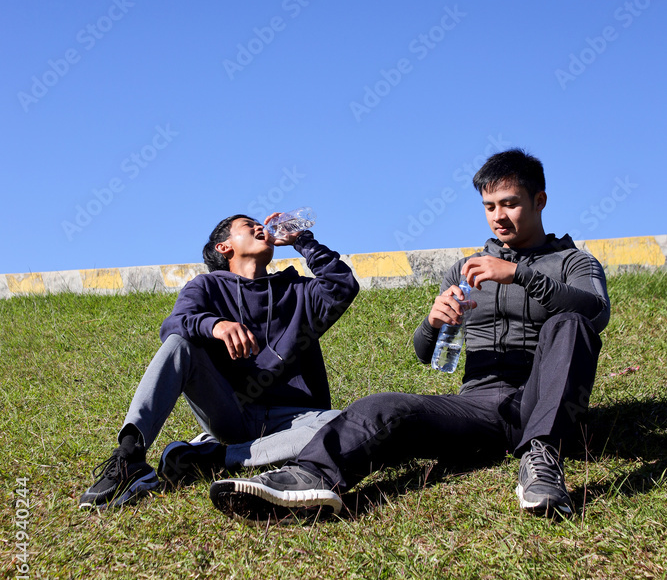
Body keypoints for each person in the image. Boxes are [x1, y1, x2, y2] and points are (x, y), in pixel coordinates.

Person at [210, 150, 610, 522]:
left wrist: (520, 274)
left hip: (545, 400)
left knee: (569, 321)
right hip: (481, 409)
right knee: (383, 405)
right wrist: (433, 324)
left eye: (510, 204)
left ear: (539, 201)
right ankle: (310, 477)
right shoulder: (468, 269)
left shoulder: (572, 262)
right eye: (489, 206)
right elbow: (426, 354)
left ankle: (542, 460)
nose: (498, 217)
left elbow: (595, 312)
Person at [79, 213, 359, 509]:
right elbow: (174, 324)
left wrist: (301, 239)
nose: (260, 227)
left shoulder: (298, 291)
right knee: (179, 344)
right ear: (224, 247)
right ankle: (129, 457)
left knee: (345, 423)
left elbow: (342, 286)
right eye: (248, 225)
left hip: (295, 420)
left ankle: (214, 457)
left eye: (259, 224)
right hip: (231, 411)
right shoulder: (206, 286)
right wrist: (215, 325)